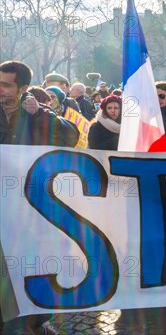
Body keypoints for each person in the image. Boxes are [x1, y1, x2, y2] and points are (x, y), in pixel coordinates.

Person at [0, 61, 79, 335]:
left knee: (33, 266)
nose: (0, 89)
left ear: (22, 88)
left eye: (5, 85)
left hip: (30, 211)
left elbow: (71, 137)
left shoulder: (37, 114)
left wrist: (40, 115)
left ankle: (35, 322)